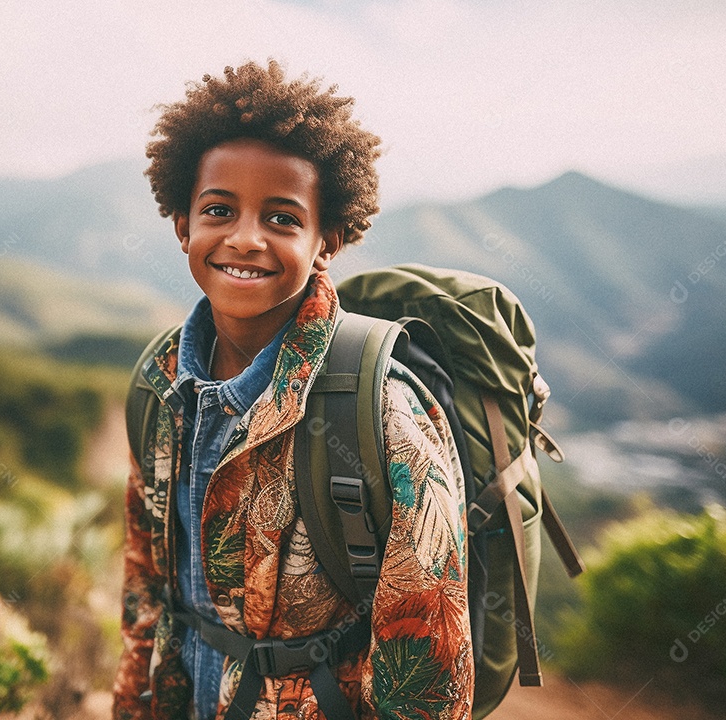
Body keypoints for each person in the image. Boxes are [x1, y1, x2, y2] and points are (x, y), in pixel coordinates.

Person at [113, 59, 473, 720]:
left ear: (326, 239)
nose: (245, 238)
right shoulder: (158, 385)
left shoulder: (385, 410)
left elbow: (428, 669)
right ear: (182, 225)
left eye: (281, 219)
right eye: (219, 210)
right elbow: (145, 597)